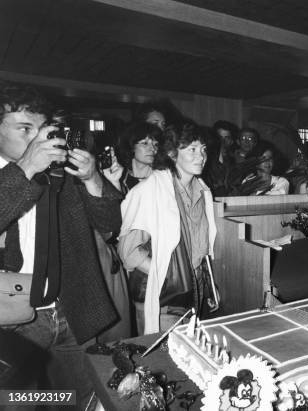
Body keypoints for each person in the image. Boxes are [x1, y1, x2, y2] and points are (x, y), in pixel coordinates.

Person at [0, 85, 121, 407]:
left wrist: (92, 178)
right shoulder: (19, 170)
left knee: (75, 400)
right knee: (18, 403)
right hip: (11, 319)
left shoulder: (60, 172)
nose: (38, 139)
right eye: (24, 128)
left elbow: (110, 226)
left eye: (42, 130)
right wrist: (26, 167)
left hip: (70, 309)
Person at [118, 123, 217, 335]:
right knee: (166, 362)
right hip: (164, 299)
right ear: (172, 153)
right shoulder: (150, 191)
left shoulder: (202, 191)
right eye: (192, 149)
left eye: (203, 149)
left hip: (193, 291)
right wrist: (166, 276)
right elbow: (128, 253)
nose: (201, 156)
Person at [116, 121, 163, 191]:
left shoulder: (161, 179)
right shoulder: (120, 178)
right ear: (131, 146)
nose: (152, 148)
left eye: (156, 144)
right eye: (145, 143)